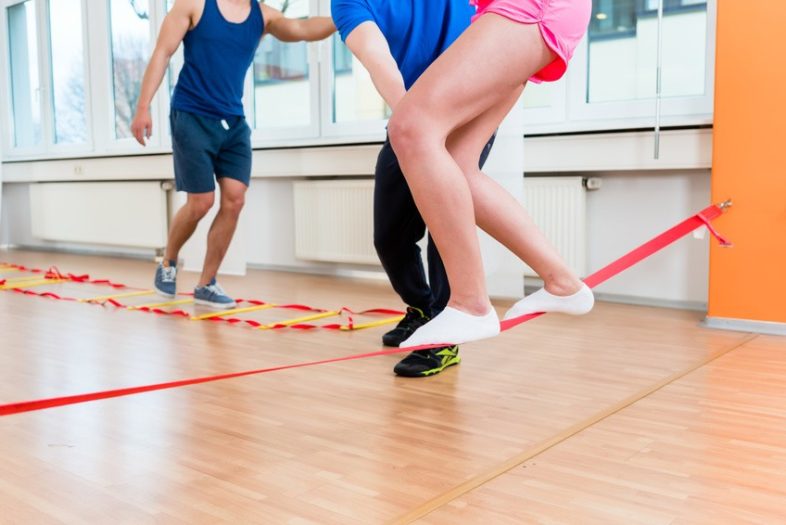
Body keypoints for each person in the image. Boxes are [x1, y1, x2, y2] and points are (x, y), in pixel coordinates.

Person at [386, 0, 595, 347]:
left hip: (529, 7)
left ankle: (470, 305)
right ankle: (563, 283)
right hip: (523, 11)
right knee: (457, 164)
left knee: (412, 127)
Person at [131, 0, 335, 308]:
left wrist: (348, 14)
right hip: (192, 115)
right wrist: (143, 107)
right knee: (201, 202)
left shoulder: (263, 15)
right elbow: (162, 52)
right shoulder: (195, 5)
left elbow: (302, 29)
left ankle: (206, 284)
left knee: (235, 199)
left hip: (233, 121)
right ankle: (169, 262)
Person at [332, 0, 496, 377]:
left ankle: (445, 332)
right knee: (389, 234)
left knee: (445, 222)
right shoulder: (348, 4)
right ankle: (423, 308)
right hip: (413, 114)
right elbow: (377, 58)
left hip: (470, 110)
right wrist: (417, 128)